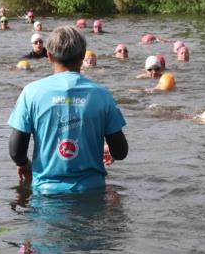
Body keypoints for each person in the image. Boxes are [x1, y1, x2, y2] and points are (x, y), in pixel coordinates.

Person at [7, 26, 128, 193]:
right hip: (92, 192)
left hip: (46, 193)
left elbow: (16, 151)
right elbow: (120, 152)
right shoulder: (101, 95)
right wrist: (108, 149)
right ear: (83, 55)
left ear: (49, 56)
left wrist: (24, 164)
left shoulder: (31, 93)